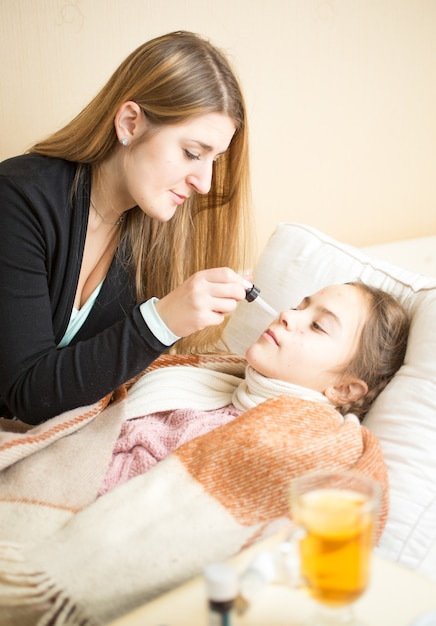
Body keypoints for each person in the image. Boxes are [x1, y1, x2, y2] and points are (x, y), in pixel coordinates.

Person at [0, 31, 255, 425]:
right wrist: (162, 320)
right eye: (192, 153)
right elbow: (28, 394)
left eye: (214, 160)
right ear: (130, 123)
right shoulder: (18, 198)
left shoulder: (152, 231)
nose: (204, 182)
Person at [99, 281, 410, 494]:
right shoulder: (206, 379)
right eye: (299, 307)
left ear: (343, 390)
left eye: (317, 326)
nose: (287, 316)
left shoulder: (289, 448)